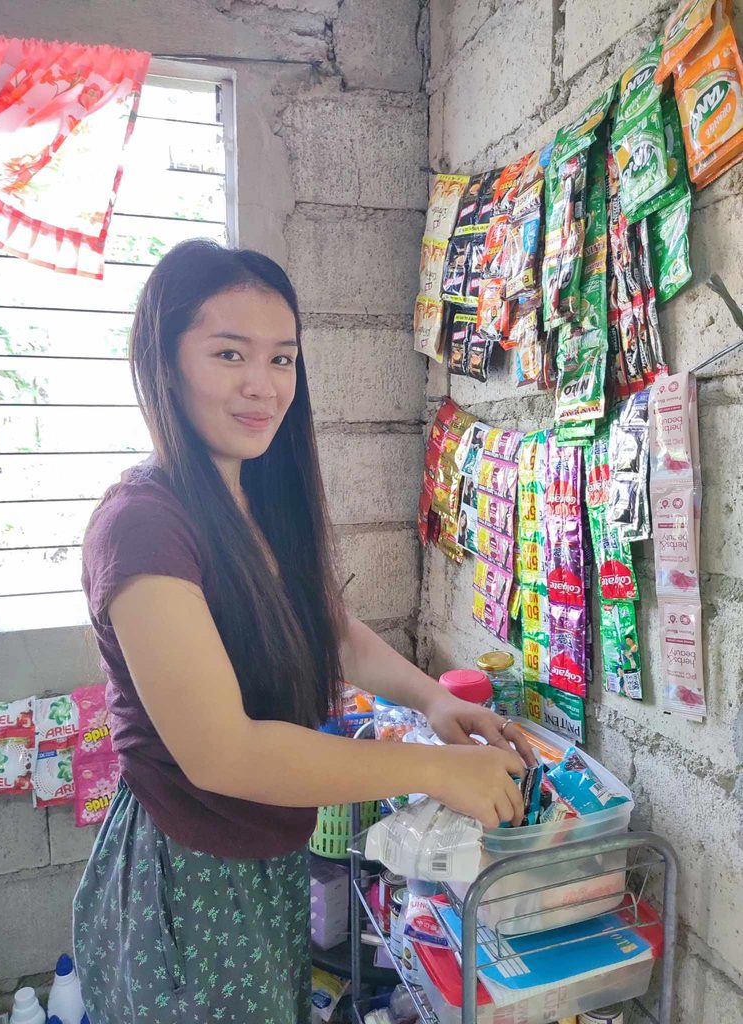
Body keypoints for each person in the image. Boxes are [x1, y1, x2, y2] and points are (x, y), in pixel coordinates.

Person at [73, 240, 533, 1024]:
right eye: (230, 353)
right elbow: (223, 752)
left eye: (283, 359)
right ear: (164, 361)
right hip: (187, 874)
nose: (264, 386)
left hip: (255, 856)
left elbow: (331, 628)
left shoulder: (252, 495)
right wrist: (434, 772)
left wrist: (432, 700)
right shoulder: (143, 526)